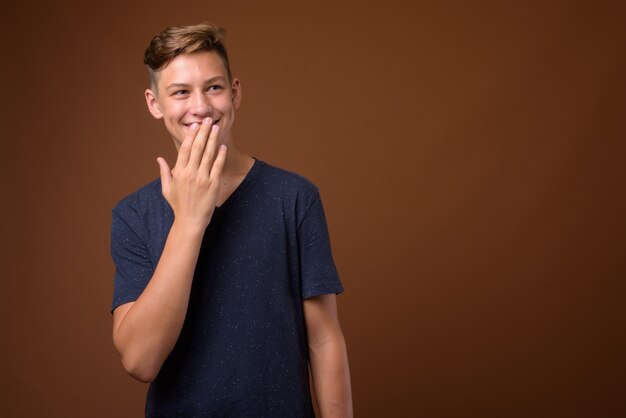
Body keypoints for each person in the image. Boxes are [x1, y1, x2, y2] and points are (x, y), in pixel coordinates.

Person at [110, 23, 353, 417]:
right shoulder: (133, 215)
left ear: (235, 92)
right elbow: (140, 360)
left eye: (214, 87)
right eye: (180, 92)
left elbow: (324, 341)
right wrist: (189, 219)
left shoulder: (294, 198)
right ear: (155, 104)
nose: (201, 106)